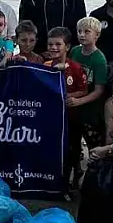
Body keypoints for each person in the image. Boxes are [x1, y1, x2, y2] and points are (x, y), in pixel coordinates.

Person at [45, 27, 89, 191]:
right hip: (52, 119)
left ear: (68, 47)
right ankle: (55, 180)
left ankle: (71, 181)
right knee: (54, 149)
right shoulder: (45, 66)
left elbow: (84, 90)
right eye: (50, 44)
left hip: (71, 118)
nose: (53, 48)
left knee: (73, 150)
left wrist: (70, 97)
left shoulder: (76, 68)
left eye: (58, 44)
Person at [68, 17, 109, 183]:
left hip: (91, 109)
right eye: (79, 31)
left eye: (87, 32)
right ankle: (75, 170)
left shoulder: (99, 59)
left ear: (97, 35)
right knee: (73, 143)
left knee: (94, 144)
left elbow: (99, 91)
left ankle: (96, 176)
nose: (82, 35)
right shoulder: (75, 52)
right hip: (74, 106)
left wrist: (80, 101)